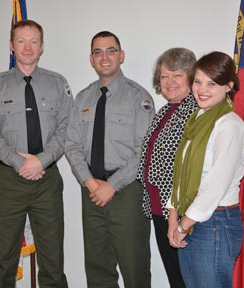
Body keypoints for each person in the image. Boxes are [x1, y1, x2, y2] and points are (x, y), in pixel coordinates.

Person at [0, 20, 71, 288]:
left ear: (42, 47)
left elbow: (67, 128)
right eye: (21, 41)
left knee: (53, 261)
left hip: (47, 180)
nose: (27, 47)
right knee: (4, 259)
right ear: (11, 45)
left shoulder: (57, 83)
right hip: (10, 181)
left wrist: (41, 160)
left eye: (33, 41)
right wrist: (20, 161)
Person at [65, 31, 154, 288]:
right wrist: (91, 183)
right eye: (97, 52)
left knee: (134, 264)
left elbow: (144, 150)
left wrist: (112, 185)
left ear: (121, 55)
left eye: (111, 50)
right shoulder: (83, 98)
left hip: (125, 191)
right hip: (91, 190)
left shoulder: (139, 98)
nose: (104, 57)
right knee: (97, 265)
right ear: (91, 59)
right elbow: (71, 145)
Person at [167, 51, 244, 288]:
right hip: (191, 219)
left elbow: (215, 185)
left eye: (212, 83)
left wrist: (184, 225)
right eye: (198, 81)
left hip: (216, 222)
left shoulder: (229, 125)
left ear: (228, 86)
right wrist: (174, 217)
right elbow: (180, 173)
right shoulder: (197, 120)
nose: (202, 89)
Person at [136, 47, 198, 288]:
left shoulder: (195, 111)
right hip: (159, 208)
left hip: (180, 212)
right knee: (176, 277)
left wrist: (178, 218)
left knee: (187, 279)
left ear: (192, 78)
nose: (169, 82)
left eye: (177, 75)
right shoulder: (167, 110)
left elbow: (188, 168)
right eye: (164, 76)